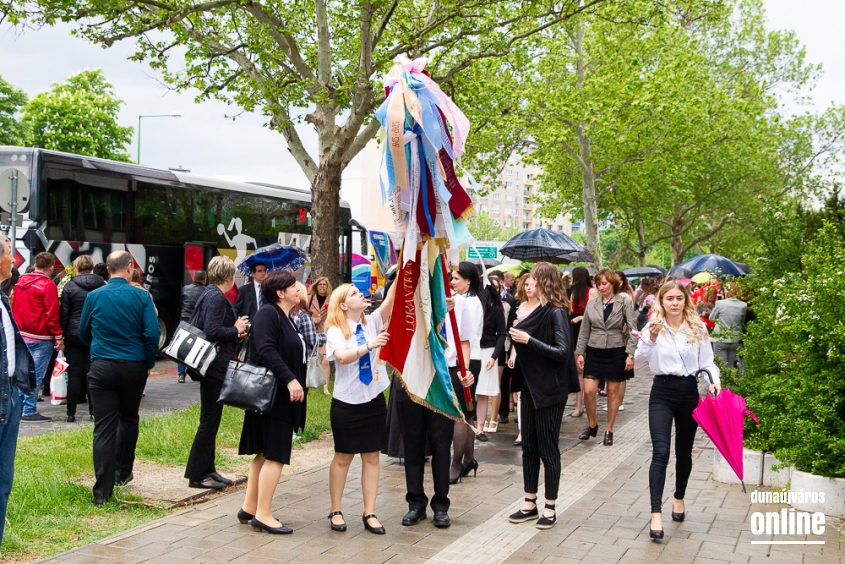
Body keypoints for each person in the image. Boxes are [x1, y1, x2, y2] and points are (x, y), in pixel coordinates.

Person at [634, 281, 721, 540]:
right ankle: (655, 514)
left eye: (678, 298)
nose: (674, 302)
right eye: (669, 298)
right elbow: (639, 358)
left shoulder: (697, 328)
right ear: (661, 302)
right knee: (660, 452)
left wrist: (715, 382)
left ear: (685, 301)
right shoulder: (653, 327)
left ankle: (679, 497)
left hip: (688, 392)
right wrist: (649, 338)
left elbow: (708, 362)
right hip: (661, 391)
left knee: (684, 452)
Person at [78, 251, 160, 506]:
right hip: (133, 365)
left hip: (102, 365)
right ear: (129, 269)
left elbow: (83, 332)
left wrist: (98, 351)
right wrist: (147, 361)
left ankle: (102, 492)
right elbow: (151, 333)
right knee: (129, 417)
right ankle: (123, 471)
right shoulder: (141, 296)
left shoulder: (94, 296)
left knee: (103, 427)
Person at [398, 273, 474, 528]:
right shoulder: (409, 300)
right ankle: (416, 503)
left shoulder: (460, 303)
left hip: (443, 375)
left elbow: (463, 342)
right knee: (413, 443)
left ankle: (441, 504)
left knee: (442, 443)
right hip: (414, 375)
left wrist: (464, 373)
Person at [507, 263, 579, 530]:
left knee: (548, 449)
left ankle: (550, 506)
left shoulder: (557, 312)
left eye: (533, 280)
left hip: (550, 388)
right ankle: (529, 502)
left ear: (543, 282)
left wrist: (528, 340)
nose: (528, 284)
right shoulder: (531, 310)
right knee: (529, 447)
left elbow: (562, 352)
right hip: (530, 385)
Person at [324, 281, 396, 535]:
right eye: (354, 293)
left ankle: (370, 512)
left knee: (372, 457)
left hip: (373, 399)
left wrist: (408, 257)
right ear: (343, 305)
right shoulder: (335, 330)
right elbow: (343, 357)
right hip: (347, 403)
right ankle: (335, 510)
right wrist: (370, 345)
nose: (361, 294)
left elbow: (390, 299)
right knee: (343, 457)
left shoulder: (371, 322)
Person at [237, 270, 306, 534]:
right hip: (274, 395)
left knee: (264, 453)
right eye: (292, 286)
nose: (297, 289)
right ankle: (263, 514)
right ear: (280, 292)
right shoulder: (268, 313)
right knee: (275, 455)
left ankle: (250, 507)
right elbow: (265, 349)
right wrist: (290, 379)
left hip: (277, 395)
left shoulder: (286, 316)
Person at [184, 257, 248, 489]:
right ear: (230, 278)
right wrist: (235, 329)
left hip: (213, 367)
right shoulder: (215, 297)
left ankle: (208, 469)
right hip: (214, 368)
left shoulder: (210, 293)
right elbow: (212, 329)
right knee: (209, 422)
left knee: (212, 421)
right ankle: (197, 474)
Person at [575, 268, 638, 446]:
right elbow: (585, 329)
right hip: (594, 350)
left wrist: (630, 354)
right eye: (599, 284)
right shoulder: (592, 303)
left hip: (616, 349)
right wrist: (580, 352)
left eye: (604, 284)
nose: (601, 287)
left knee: (612, 392)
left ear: (613, 284)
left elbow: (633, 330)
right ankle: (592, 424)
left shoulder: (623, 302)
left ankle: (609, 429)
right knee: (588, 391)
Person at [0, 233, 35, 547]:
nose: (14, 259)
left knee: (3, 484)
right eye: (10, 252)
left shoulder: (2, 298)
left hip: (9, 400)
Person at [12, 251, 64, 423]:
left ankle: (18, 408)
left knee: (21, 373)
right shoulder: (47, 285)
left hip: (21, 334)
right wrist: (58, 336)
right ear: (50, 268)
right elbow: (51, 313)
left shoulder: (20, 282)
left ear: (35, 265)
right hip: (41, 336)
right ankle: (29, 410)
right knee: (36, 375)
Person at [60, 255, 106, 422]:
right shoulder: (102, 285)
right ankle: (93, 411)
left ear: (76, 268)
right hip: (94, 333)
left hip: (73, 333)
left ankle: (71, 413)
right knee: (91, 372)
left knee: (74, 374)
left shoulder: (69, 286)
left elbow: (64, 314)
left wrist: (61, 335)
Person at [507, 275, 538, 447]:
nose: (528, 288)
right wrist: (512, 355)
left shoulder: (544, 307)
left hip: (535, 352)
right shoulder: (522, 307)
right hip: (520, 352)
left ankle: (533, 429)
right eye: (525, 284)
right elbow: (515, 335)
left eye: (531, 284)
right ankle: (522, 430)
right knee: (520, 393)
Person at [567, 267, 599, 418]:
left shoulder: (591, 292)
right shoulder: (573, 293)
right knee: (578, 370)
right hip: (574, 330)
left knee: (586, 369)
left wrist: (580, 318)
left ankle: (588, 402)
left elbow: (595, 313)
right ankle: (579, 405)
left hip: (587, 329)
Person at [476, 277, 506, 436]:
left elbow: (502, 334)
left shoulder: (496, 310)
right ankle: (472, 425)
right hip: (473, 350)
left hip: (488, 351)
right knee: (472, 390)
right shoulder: (473, 305)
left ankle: (480, 428)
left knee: (483, 392)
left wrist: (494, 356)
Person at [177, 270, 208, 383]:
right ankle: (196, 371)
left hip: (184, 321)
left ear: (194, 278)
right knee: (198, 348)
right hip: (197, 323)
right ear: (204, 280)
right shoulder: (206, 291)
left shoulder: (185, 289)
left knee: (180, 347)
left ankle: (181, 374)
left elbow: (180, 305)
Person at [708, 282, 748, 369]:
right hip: (735, 339)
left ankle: (722, 382)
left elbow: (711, 318)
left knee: (722, 368)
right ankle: (730, 382)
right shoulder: (743, 305)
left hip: (720, 338)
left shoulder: (720, 303)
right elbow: (742, 321)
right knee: (730, 368)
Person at [308, 277, 333, 395]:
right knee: (311, 360)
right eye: (320, 284)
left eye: (324, 284)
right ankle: (310, 382)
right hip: (312, 333)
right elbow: (303, 313)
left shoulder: (332, 300)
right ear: (316, 286)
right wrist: (313, 320)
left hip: (325, 333)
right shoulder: (310, 299)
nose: (322, 286)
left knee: (325, 361)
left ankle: (326, 388)